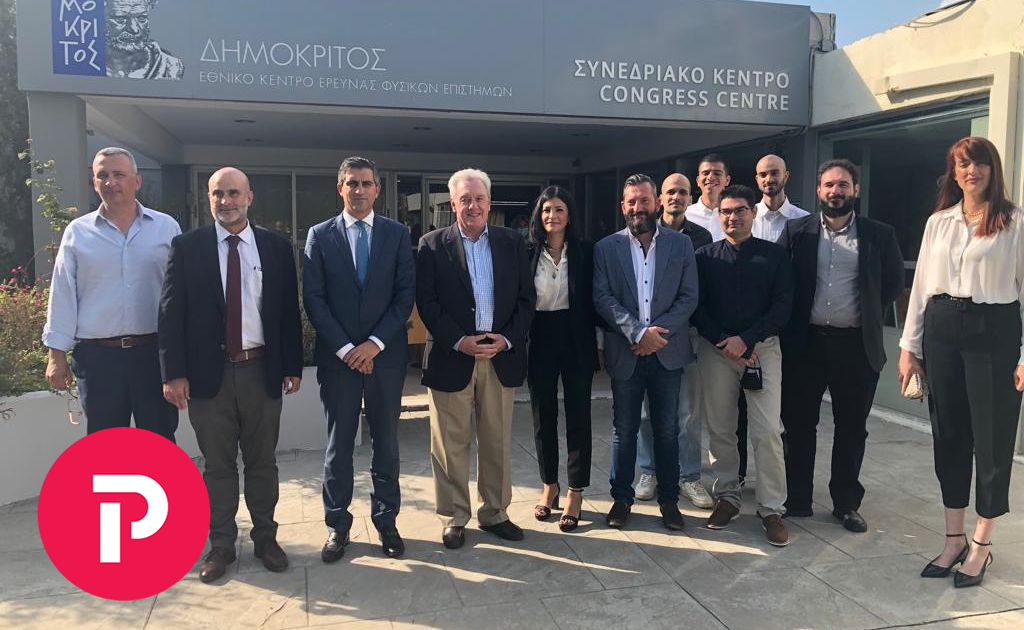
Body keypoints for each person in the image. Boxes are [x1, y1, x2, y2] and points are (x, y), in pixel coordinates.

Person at [159, 167, 303, 583]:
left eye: (234, 193)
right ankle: (220, 545)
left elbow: (287, 311)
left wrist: (292, 366)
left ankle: (266, 539)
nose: (226, 201)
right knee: (218, 466)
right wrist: (173, 373)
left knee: (262, 463)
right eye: (218, 194)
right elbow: (170, 313)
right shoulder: (188, 247)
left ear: (249, 197)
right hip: (209, 379)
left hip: (261, 371)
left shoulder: (275, 247)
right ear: (209, 198)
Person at [899, 136, 1024, 588]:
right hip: (942, 329)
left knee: (991, 440)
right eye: (963, 164)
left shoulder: (1013, 221)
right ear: (954, 173)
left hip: (994, 332)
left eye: (980, 163)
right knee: (949, 436)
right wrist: (909, 347)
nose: (972, 171)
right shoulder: (939, 222)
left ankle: (981, 546)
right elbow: (921, 288)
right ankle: (954, 540)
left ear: (993, 169)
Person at [777, 158, 904, 533]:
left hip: (856, 346)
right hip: (806, 345)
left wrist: (865, 309)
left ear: (856, 190)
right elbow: (783, 283)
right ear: (818, 190)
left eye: (843, 185)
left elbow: (892, 284)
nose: (836, 191)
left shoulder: (879, 234)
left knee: (851, 428)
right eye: (829, 185)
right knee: (798, 425)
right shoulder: (797, 231)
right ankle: (797, 498)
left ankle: (846, 503)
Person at [416, 168, 536, 549]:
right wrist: (459, 341)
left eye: (479, 199)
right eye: (465, 199)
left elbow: (526, 299)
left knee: (496, 441)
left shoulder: (511, 243)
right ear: (453, 203)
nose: (472, 206)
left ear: (489, 202)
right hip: (452, 355)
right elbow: (427, 302)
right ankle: (454, 517)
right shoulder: (431, 245)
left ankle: (495, 512)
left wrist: (506, 338)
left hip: (499, 354)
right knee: (449, 445)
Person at [303, 156, 415, 561]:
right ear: (340, 188)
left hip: (385, 358)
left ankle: (387, 522)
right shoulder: (320, 235)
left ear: (377, 190)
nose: (359, 190)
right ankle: (337, 525)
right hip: (339, 361)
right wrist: (348, 349)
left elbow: (404, 295)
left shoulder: (397, 234)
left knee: (386, 443)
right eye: (352, 183)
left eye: (367, 183)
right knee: (339, 446)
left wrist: (373, 344)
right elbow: (314, 299)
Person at [43, 147, 180, 441]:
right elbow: (63, 293)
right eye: (102, 175)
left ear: (137, 181)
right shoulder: (77, 232)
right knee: (105, 448)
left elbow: (181, 295)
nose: (111, 182)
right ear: (94, 183)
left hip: (153, 356)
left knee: (159, 444)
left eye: (119, 174)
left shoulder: (166, 228)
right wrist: (56, 355)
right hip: (98, 360)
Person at [593, 174, 698, 531]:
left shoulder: (681, 245)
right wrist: (638, 333)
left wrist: (656, 335)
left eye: (644, 200)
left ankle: (669, 501)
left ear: (657, 203)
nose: (638, 207)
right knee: (624, 430)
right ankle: (621, 500)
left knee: (667, 429)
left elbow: (689, 296)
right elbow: (602, 298)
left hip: (667, 351)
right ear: (623, 206)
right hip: (627, 351)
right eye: (632, 202)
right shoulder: (606, 248)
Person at [692, 184, 792, 546]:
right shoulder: (705, 257)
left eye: (740, 211)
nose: (732, 217)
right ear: (719, 216)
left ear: (753, 212)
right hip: (717, 350)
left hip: (762, 350)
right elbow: (696, 306)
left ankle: (772, 509)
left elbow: (783, 305)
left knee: (767, 431)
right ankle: (728, 497)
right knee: (720, 429)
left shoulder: (774, 255)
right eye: (726, 212)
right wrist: (726, 340)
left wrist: (747, 339)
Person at [634, 173, 714, 509]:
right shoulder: (642, 233)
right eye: (670, 192)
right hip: (644, 336)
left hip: (686, 336)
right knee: (646, 411)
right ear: (659, 199)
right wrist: (645, 333)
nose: (676, 198)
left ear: (689, 197)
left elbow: (696, 291)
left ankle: (689, 475)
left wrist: (665, 329)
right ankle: (649, 471)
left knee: (687, 412)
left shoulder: (701, 237)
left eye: (682, 192)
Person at [525, 187, 599, 532]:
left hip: (576, 337)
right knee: (543, 417)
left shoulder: (586, 251)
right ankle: (549, 485)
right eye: (546, 210)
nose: (551, 216)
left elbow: (595, 300)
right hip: (540, 336)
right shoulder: (527, 252)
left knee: (578, 416)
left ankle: (575, 491)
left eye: (558, 209)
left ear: (569, 215)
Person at [105, 0, 184, 79]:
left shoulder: (171, 66)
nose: (134, 29)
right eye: (120, 19)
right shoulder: (97, 66)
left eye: (142, 18)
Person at [752, 154, 809, 242]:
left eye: (774, 173)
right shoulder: (747, 218)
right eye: (763, 175)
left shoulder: (804, 219)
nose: (769, 179)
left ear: (786, 176)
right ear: (757, 179)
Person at [685, 154, 731, 242]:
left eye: (717, 173)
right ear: (698, 181)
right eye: (706, 173)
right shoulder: (685, 215)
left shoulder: (735, 216)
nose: (710, 177)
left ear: (727, 180)